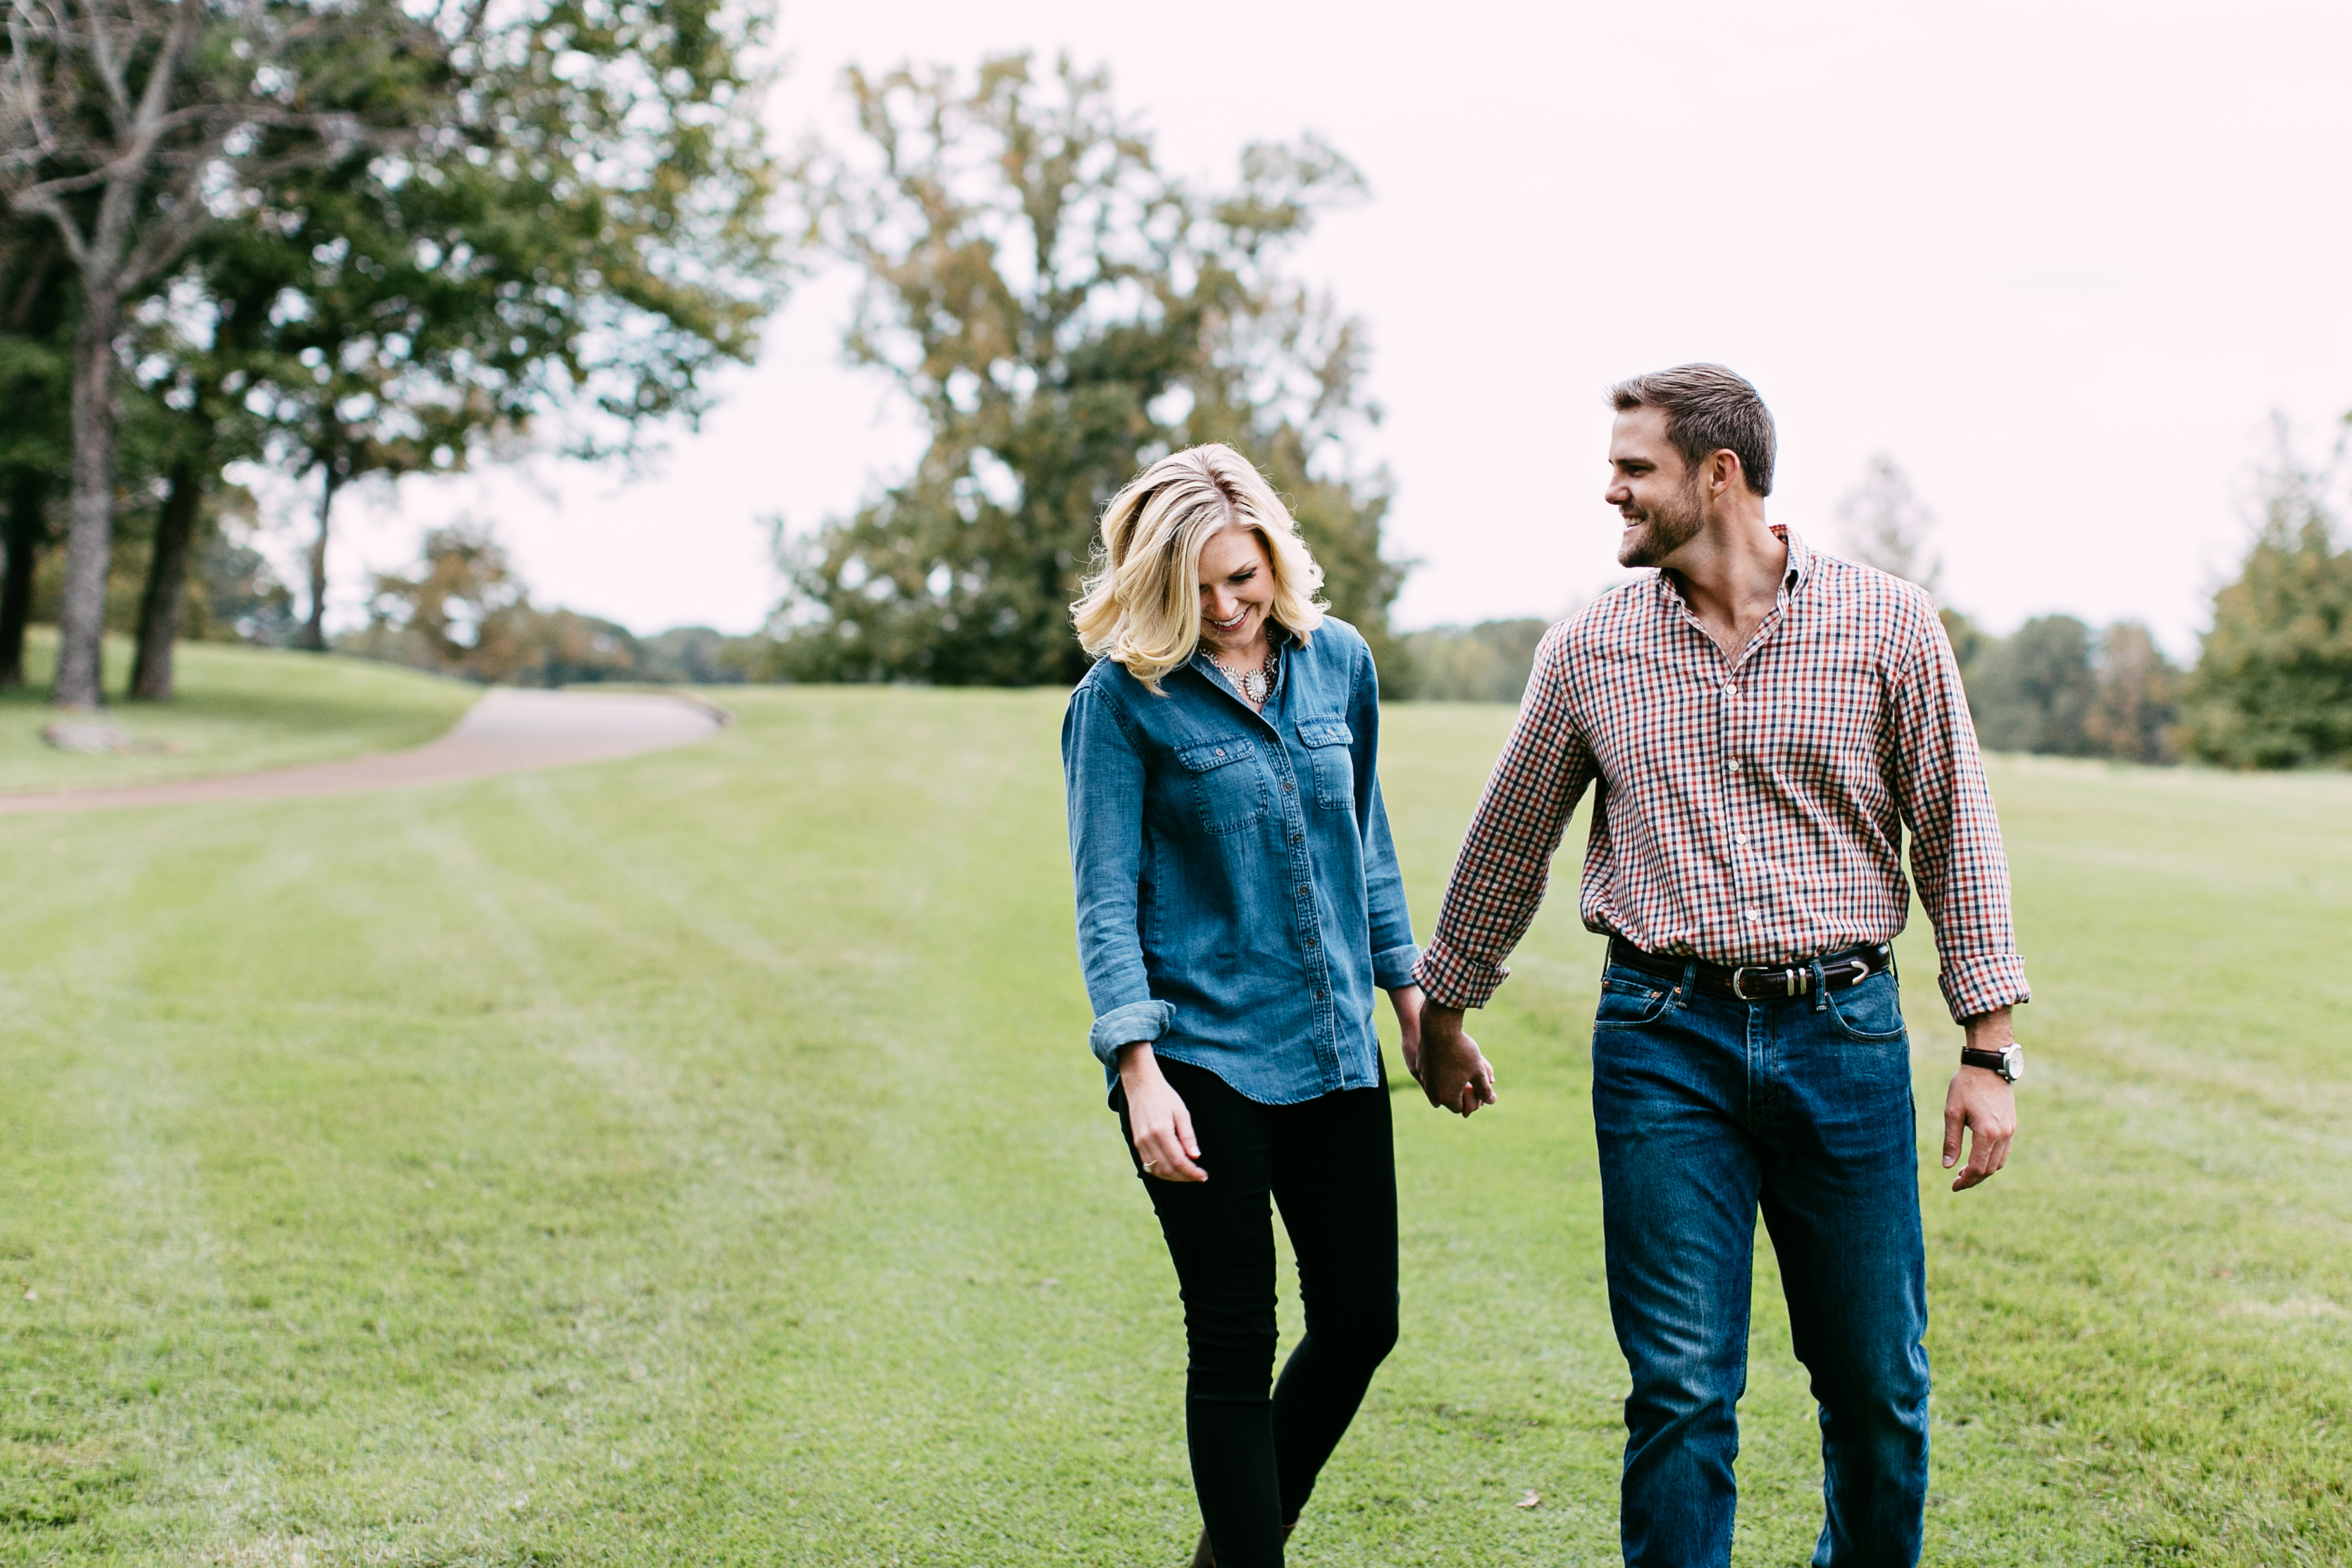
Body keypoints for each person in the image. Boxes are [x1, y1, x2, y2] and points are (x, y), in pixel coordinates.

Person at [1410, 365, 2027, 1567]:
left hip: (1843, 1036)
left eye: (1635, 468)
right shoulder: (1591, 646)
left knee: (1878, 1393)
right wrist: (1444, 1010)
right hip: (1661, 1040)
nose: (1612, 491)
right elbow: (1506, 840)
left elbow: (1958, 833)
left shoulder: (1888, 623)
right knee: (1682, 1392)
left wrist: (1989, 1051)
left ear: (1721, 474)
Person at [1062, 443, 1432, 1568]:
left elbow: (1365, 842)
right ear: (1157, 587)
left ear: (1274, 554)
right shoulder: (1120, 703)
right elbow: (1104, 897)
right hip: (1199, 1060)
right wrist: (1138, 1072)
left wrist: (1412, 999)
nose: (1227, 608)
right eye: (1199, 589)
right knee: (1234, 1335)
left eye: (1244, 577)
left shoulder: (1341, 665)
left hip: (1333, 1045)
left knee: (1363, 1319)